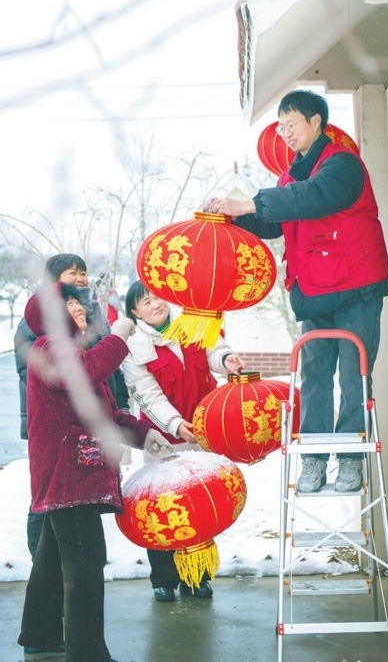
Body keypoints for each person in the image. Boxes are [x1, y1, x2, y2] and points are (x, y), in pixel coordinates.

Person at [206, 89, 388, 494]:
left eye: (291, 124)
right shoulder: (288, 178)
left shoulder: (343, 164)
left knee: (354, 375)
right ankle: (313, 459)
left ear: (315, 122)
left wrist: (249, 203)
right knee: (314, 376)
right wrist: (232, 219)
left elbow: (315, 197)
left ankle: (350, 458)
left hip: (357, 287)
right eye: (281, 127)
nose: (286, 133)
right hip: (313, 289)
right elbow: (276, 222)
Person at [17, 281, 169, 662]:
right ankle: (87, 654)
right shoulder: (49, 347)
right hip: (69, 477)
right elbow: (85, 372)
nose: (79, 308)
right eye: (69, 303)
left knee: (53, 558)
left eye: (79, 302)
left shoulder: (73, 352)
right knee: (85, 564)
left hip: (70, 475)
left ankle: (40, 634)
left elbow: (109, 414)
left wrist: (145, 434)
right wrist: (118, 337)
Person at [122, 280, 245, 602]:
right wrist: (175, 424)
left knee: (201, 505)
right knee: (164, 508)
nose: (155, 304)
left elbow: (215, 350)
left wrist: (227, 360)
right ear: (135, 312)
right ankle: (163, 578)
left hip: (204, 434)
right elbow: (145, 393)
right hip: (163, 439)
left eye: (157, 297)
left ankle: (197, 578)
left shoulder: (192, 323)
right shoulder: (133, 346)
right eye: (146, 302)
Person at [14, 253, 129, 559]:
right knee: (50, 500)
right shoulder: (39, 321)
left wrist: (119, 408)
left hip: (88, 420)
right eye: (72, 273)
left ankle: (51, 568)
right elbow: (54, 372)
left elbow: (109, 368)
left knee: (70, 504)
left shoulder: (90, 313)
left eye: (83, 272)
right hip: (56, 423)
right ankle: (43, 558)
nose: (80, 278)